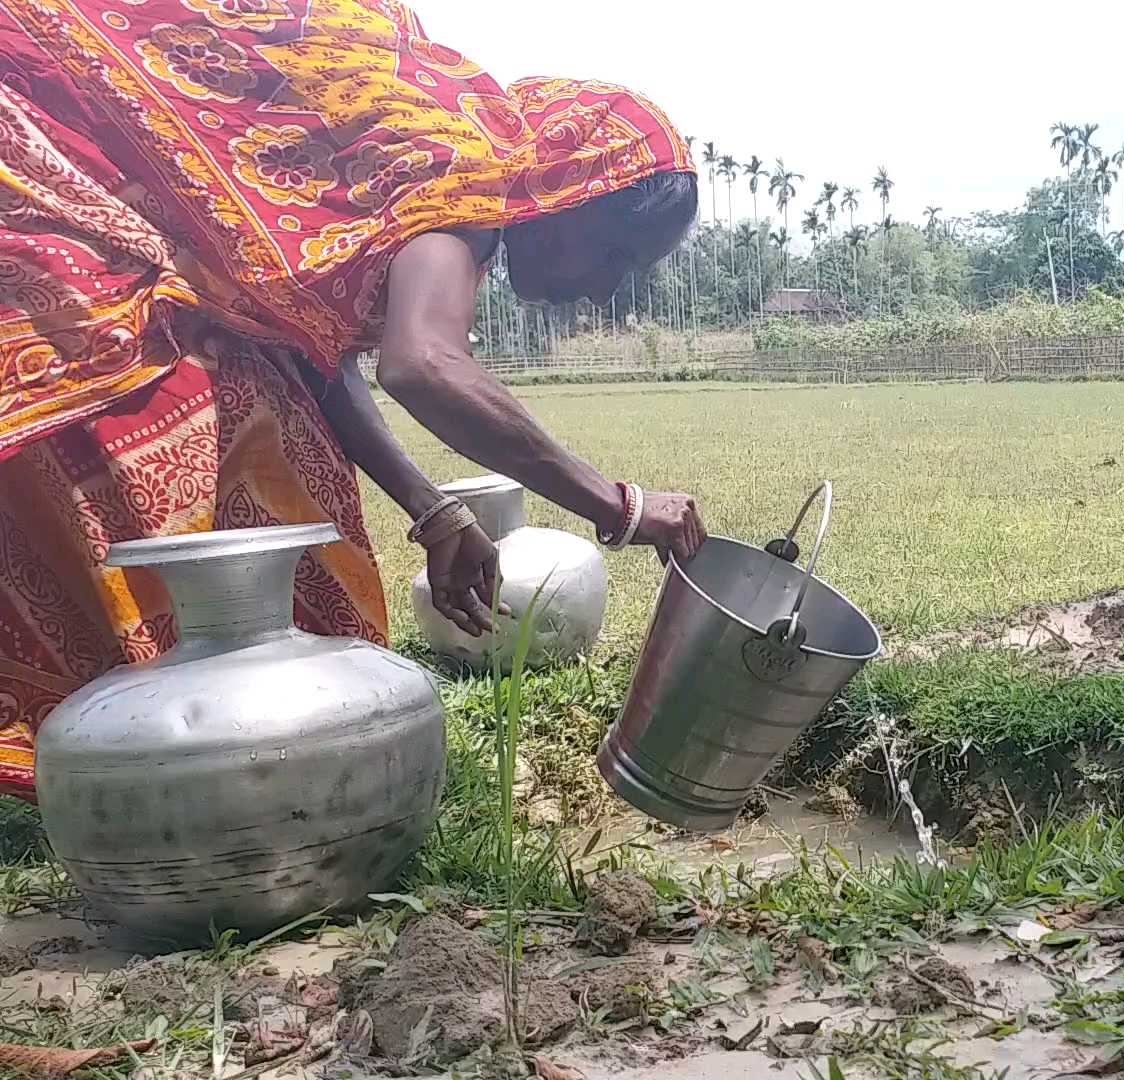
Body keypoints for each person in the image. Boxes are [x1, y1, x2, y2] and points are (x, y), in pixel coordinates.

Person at [0, 0, 707, 800]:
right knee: (201, 433)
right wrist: (618, 504)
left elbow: (308, 354)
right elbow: (424, 366)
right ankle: (149, 772)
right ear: (571, 184)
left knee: (288, 444)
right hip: (42, 163)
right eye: (611, 250)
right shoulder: (461, 176)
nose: (604, 285)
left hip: (93, 188)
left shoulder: (445, 163)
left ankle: (195, 763)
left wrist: (435, 512)